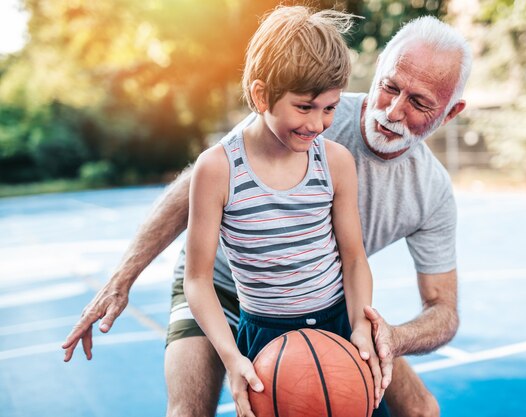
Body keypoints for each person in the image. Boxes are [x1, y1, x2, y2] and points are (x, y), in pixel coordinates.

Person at [62, 12, 472, 417]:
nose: (395, 110)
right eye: (389, 87)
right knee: (187, 411)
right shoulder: (296, 107)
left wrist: (389, 336)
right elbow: (187, 197)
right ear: (379, 69)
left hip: (320, 297)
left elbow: (438, 306)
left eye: (419, 102)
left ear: (450, 113)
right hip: (223, 286)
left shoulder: (420, 187)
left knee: (420, 408)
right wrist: (120, 280)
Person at [183, 6, 388, 417]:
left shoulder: (335, 161)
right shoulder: (217, 169)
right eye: (305, 107)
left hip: (338, 326)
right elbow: (198, 279)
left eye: (329, 108)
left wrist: (361, 325)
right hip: (264, 337)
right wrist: (229, 356)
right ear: (261, 95)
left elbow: (353, 258)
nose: (318, 123)